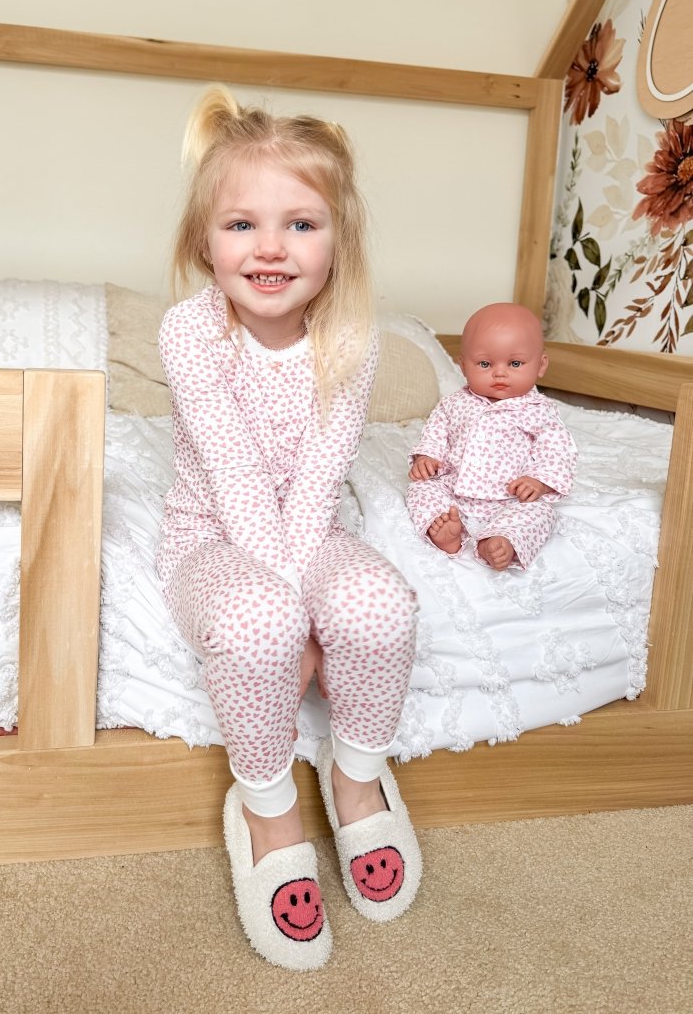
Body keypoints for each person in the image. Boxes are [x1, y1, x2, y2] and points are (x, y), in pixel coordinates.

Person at [156, 86, 421, 970]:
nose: (270, 248)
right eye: (241, 225)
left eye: (301, 225)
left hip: (309, 523)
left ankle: (355, 774)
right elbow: (232, 476)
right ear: (204, 241)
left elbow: (319, 477)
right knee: (256, 624)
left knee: (379, 605)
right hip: (212, 534)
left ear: (338, 242)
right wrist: (287, 617)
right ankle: (268, 805)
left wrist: (318, 609)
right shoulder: (191, 333)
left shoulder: (353, 336)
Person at [407, 302, 577, 570]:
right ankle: (444, 528)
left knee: (540, 512)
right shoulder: (454, 403)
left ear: (541, 365)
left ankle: (499, 541)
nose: (499, 372)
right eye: (485, 363)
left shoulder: (539, 411)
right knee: (421, 488)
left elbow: (557, 451)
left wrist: (539, 481)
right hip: (454, 489)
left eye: (515, 363)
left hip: (511, 498)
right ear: (463, 366)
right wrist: (427, 456)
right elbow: (436, 432)